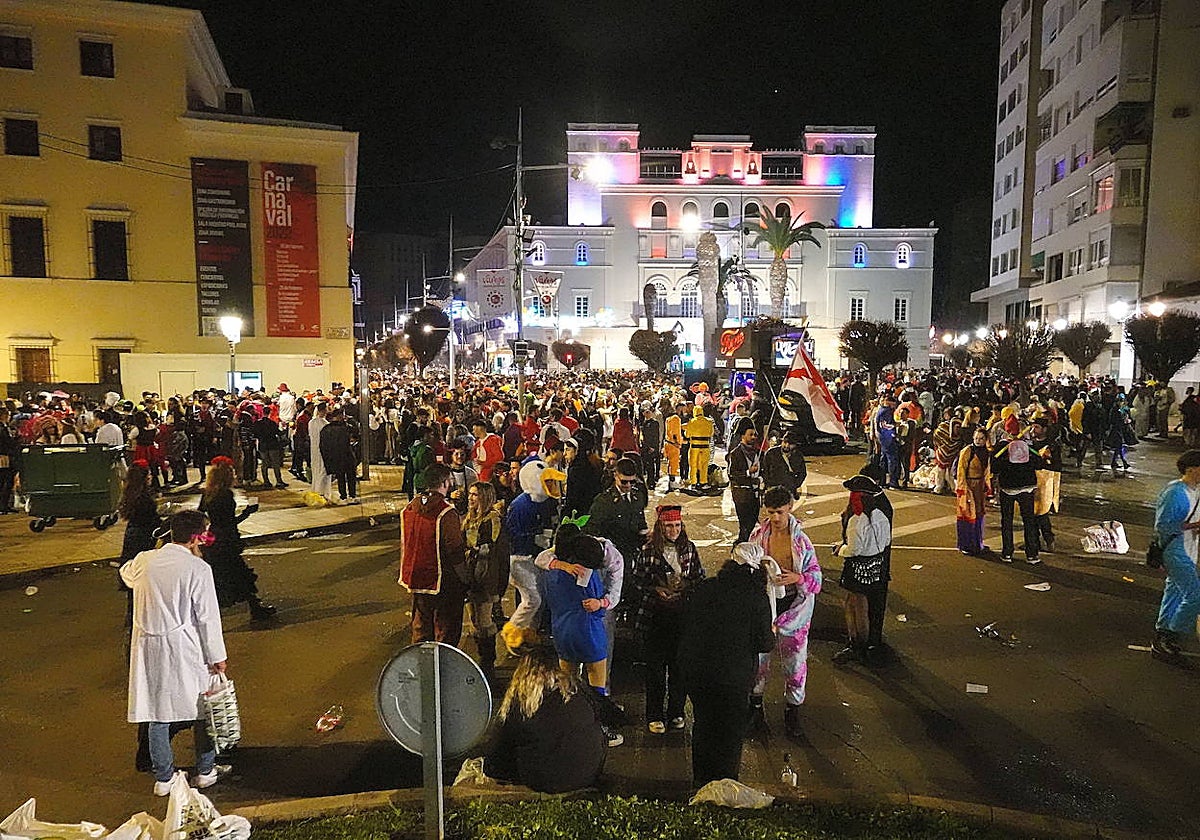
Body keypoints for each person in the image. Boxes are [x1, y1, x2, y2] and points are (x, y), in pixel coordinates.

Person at [121, 509, 230, 796]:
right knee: (202, 709)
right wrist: (217, 655)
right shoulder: (197, 569)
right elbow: (207, 617)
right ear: (196, 537)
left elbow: (126, 572)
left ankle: (164, 778)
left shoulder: (146, 560)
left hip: (147, 646)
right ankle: (206, 770)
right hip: (185, 646)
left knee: (157, 711)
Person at [677, 542, 775, 785]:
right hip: (733, 677)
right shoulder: (756, 598)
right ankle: (726, 784)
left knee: (704, 726)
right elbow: (765, 643)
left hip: (698, 673)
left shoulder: (706, 588)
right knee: (729, 733)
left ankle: (702, 783)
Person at [747, 485, 822, 739]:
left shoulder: (801, 541)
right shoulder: (758, 535)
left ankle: (793, 714)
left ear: (790, 508)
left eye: (779, 512)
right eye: (771, 512)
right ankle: (755, 712)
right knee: (758, 661)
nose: (775, 518)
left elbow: (816, 579)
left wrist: (797, 577)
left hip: (794, 608)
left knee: (795, 664)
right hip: (763, 607)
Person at [485, 645, 606, 793]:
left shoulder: (520, 704)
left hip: (546, 780)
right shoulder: (577, 688)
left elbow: (497, 755)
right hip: (589, 773)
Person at [631, 505, 704, 734]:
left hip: (681, 617)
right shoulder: (648, 550)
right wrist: (655, 591)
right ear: (660, 527)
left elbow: (699, 577)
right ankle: (654, 714)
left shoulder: (689, 549)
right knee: (654, 671)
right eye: (668, 525)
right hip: (655, 617)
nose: (673, 530)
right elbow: (637, 582)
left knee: (679, 669)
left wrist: (686, 588)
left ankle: (676, 712)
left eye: (677, 525)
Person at [399, 464, 470, 644]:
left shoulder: (409, 508)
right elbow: (454, 551)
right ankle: (442, 667)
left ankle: (424, 664)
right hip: (444, 580)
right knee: (446, 630)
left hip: (416, 577)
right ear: (445, 482)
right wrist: (465, 578)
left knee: (421, 627)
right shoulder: (446, 512)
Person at [198, 456, 274, 619]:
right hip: (227, 537)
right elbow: (230, 521)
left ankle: (254, 606)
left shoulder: (208, 493)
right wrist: (247, 512)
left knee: (225, 573)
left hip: (214, 536)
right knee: (237, 572)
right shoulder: (226, 495)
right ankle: (253, 607)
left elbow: (200, 512)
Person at [832, 474, 892, 665]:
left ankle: (857, 645)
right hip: (876, 566)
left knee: (855, 605)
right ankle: (867, 645)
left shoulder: (856, 521)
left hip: (857, 567)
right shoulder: (881, 515)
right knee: (864, 604)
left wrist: (839, 549)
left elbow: (854, 549)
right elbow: (886, 542)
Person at [1151, 450, 1200, 664]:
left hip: (1189, 547)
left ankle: (1163, 632)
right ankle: (1173, 634)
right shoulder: (1175, 492)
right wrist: (1195, 526)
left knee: (1175, 590)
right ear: (1191, 469)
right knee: (1194, 595)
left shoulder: (1195, 490)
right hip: (1175, 549)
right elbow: (1164, 526)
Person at [463, 481, 508, 687]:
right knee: (474, 621)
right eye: (470, 494)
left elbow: (497, 555)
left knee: (484, 621)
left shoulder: (493, 521)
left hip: (485, 579)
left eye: (475, 495)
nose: (471, 498)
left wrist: (498, 587)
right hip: (470, 578)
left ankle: (488, 666)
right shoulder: (470, 519)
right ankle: (483, 662)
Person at [990, 422, 1045, 565]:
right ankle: (1032, 555)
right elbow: (1039, 463)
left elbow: (994, 468)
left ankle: (1007, 553)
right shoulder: (1028, 446)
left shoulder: (1001, 447)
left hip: (1007, 488)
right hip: (1027, 488)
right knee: (1029, 521)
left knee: (1007, 521)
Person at [955, 427, 992, 556]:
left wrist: (987, 486)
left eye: (981, 438)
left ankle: (978, 543)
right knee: (967, 515)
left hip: (980, 488)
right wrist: (963, 488)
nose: (978, 441)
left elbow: (987, 472)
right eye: (976, 438)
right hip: (968, 487)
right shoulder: (967, 451)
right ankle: (966, 545)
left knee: (979, 515)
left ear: (986, 440)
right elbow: (961, 470)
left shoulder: (987, 453)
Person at [726, 424, 763, 543]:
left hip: (756, 495)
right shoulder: (736, 453)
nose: (753, 437)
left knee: (753, 523)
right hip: (741, 496)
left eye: (754, 435)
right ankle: (740, 547)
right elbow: (732, 474)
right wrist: (748, 472)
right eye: (750, 434)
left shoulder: (759, 453)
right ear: (743, 436)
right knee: (745, 526)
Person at [1031, 417, 1062, 552]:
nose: (1033, 430)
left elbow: (1057, 466)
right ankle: (1035, 542)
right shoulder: (1030, 444)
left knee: (1042, 513)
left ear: (1044, 429)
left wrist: (1045, 460)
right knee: (1031, 514)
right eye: (1032, 427)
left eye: (1036, 427)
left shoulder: (1052, 446)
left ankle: (1049, 538)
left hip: (1045, 484)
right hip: (1031, 482)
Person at [320, 408, 358, 503]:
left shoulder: (326, 429)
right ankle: (351, 496)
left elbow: (323, 446)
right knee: (350, 477)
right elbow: (356, 432)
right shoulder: (345, 427)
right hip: (346, 455)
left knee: (341, 477)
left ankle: (343, 496)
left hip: (336, 456)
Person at [760, 432, 807, 500]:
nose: (787, 445)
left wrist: (795, 485)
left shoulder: (798, 456)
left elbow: (802, 473)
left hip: (788, 490)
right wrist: (768, 485)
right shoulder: (771, 453)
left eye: (790, 444)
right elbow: (764, 471)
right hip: (773, 489)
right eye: (785, 442)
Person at [253, 409, 287, 489]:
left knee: (264, 464)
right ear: (269, 413)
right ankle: (279, 481)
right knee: (275, 463)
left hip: (263, 445)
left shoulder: (257, 423)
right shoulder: (272, 423)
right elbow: (278, 432)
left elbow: (255, 434)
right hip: (272, 445)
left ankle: (266, 481)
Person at [684, 404, 714, 489]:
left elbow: (687, 435)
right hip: (705, 447)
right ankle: (703, 483)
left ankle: (693, 483)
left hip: (694, 447)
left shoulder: (692, 422)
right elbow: (711, 433)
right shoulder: (709, 422)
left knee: (693, 465)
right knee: (704, 465)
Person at [308, 401, 333, 499]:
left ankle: (316, 489)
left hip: (314, 450)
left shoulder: (311, 422)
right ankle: (322, 491)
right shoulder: (325, 424)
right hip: (324, 450)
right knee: (323, 470)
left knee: (316, 469)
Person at [471, 418, 504, 482]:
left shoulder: (492, 440)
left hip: (489, 473)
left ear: (481, 429)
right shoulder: (478, 442)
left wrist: (484, 463)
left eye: (474, 429)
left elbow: (499, 457)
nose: (473, 432)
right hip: (480, 472)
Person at [663, 403, 684, 490]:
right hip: (673, 444)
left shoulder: (668, 418)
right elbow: (674, 432)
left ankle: (671, 481)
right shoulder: (676, 418)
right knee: (674, 464)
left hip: (668, 443)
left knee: (670, 463)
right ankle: (672, 482)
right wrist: (676, 442)